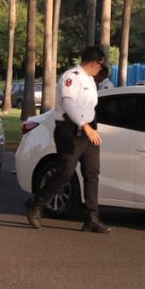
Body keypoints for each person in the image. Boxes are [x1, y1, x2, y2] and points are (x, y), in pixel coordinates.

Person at [26, 45, 111, 234]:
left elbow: (89, 106)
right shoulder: (71, 77)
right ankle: (36, 204)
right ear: (93, 62)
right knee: (65, 172)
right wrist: (85, 126)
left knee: (92, 173)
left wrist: (91, 127)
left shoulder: (90, 79)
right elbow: (69, 103)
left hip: (88, 131)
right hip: (70, 130)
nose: (100, 68)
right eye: (99, 64)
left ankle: (91, 217)